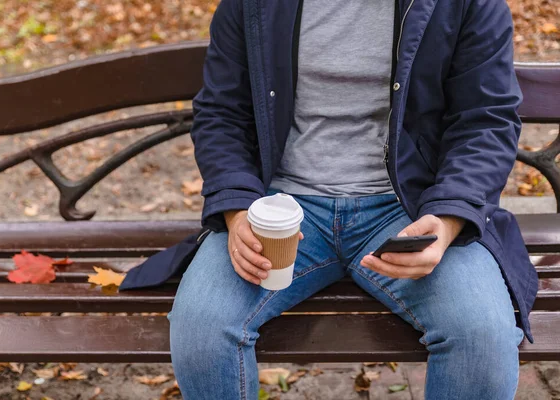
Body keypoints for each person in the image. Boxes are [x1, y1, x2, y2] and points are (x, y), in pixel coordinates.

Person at [166, 0, 538, 398]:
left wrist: (448, 219)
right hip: (282, 209)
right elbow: (222, 113)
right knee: (201, 330)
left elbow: (485, 120)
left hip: (409, 209)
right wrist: (238, 210)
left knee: (481, 335)